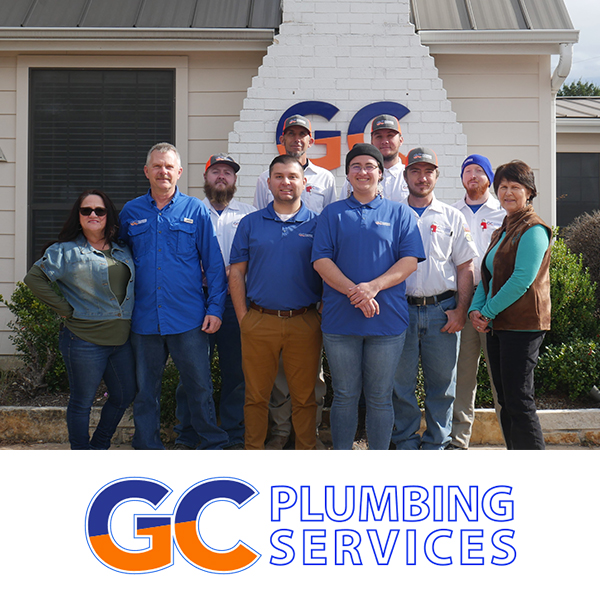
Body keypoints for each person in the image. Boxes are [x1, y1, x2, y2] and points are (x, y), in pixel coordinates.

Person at [312, 143, 424, 450]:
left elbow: (409, 261)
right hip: (340, 322)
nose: (363, 172)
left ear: (381, 174)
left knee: (379, 396)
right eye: (356, 166)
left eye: (370, 166)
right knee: (345, 395)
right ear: (347, 174)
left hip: (386, 321)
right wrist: (356, 292)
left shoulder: (399, 213)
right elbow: (321, 260)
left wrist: (372, 287)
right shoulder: (332, 214)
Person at [119, 142, 228, 450]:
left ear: (179, 172)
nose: (163, 171)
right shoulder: (131, 213)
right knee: (145, 391)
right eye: (157, 166)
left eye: (169, 166)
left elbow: (215, 265)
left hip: (189, 318)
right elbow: (117, 261)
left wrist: (216, 308)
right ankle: (148, 447)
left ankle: (211, 445)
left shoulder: (195, 210)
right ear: (146, 171)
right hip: (143, 320)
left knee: (199, 387)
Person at [24, 190, 135, 450]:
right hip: (84, 340)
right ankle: (82, 456)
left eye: (100, 210)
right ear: (79, 215)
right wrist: (64, 308)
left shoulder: (122, 248)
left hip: (121, 340)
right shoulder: (65, 251)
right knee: (81, 402)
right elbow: (34, 279)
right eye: (86, 210)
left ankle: (98, 446)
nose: (93, 215)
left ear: (109, 215)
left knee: (123, 394)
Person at [229, 155, 323, 450]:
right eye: (279, 176)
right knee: (256, 396)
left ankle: (304, 452)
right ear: (269, 182)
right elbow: (236, 272)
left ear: (304, 183)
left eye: (293, 176)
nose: (286, 182)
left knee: (305, 397)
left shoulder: (318, 225)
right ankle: (253, 453)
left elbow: (327, 273)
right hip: (259, 320)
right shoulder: (250, 223)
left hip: (305, 321)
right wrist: (244, 317)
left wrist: (317, 315)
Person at [254, 114, 336, 449]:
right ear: (283, 138)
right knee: (277, 376)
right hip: (274, 292)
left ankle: (309, 433)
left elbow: (329, 232)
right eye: (291, 133)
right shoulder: (265, 177)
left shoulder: (327, 179)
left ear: (311, 140)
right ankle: (280, 432)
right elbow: (264, 225)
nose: (297, 139)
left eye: (303, 134)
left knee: (310, 375)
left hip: (311, 292)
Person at [392, 147, 478, 450]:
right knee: (400, 385)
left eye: (428, 171)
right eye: (415, 170)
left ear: (437, 176)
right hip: (400, 311)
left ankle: (436, 444)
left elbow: (465, 265)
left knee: (442, 385)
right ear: (405, 176)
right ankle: (404, 440)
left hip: (441, 311)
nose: (422, 177)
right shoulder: (393, 214)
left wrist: (460, 310)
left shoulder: (451, 216)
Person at [172, 154, 256, 450]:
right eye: (215, 172)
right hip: (196, 301)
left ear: (235, 180)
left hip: (236, 302)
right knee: (192, 370)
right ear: (205, 178)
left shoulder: (249, 215)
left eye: (228, 173)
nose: (222, 177)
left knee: (236, 370)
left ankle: (233, 433)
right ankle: (187, 433)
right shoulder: (190, 211)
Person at [469, 160, 551, 450]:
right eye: (502, 187)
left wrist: (487, 312)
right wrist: (475, 311)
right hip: (499, 326)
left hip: (523, 325)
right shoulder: (501, 230)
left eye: (515, 186)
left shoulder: (534, 229)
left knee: (519, 399)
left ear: (529, 191)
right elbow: (487, 276)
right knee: (505, 399)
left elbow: (521, 280)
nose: (508, 192)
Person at [449, 154, 506, 449]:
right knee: (463, 373)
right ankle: (459, 439)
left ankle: (513, 436)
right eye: (467, 171)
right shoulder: (452, 213)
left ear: (489, 178)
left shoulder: (502, 213)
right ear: (462, 178)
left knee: (501, 375)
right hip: (463, 299)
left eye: (478, 171)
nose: (472, 176)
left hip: (497, 303)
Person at [339, 114, 409, 203]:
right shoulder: (356, 177)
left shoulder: (410, 176)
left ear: (401, 140)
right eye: (379, 137)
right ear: (372, 141)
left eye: (390, 136)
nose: (384, 141)